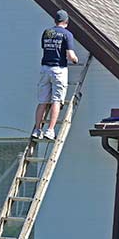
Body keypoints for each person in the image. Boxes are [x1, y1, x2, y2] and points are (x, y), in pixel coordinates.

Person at [31, 10, 78, 141]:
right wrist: (75, 60)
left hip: (45, 69)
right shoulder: (67, 34)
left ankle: (37, 129)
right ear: (67, 22)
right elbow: (70, 55)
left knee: (42, 102)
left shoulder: (47, 33)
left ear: (55, 21)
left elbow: (46, 49)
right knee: (56, 100)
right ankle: (50, 130)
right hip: (58, 70)